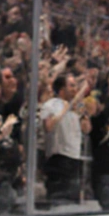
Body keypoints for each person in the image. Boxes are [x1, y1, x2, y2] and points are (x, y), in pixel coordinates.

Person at [39, 73, 92, 204]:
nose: (75, 89)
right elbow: (49, 126)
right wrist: (64, 110)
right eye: (72, 86)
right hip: (59, 158)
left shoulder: (76, 107)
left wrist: (83, 115)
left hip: (75, 158)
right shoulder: (51, 105)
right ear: (62, 90)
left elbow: (87, 129)